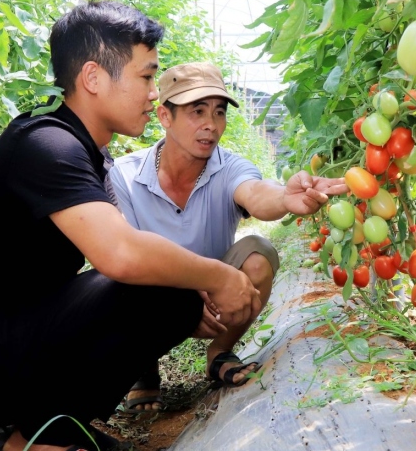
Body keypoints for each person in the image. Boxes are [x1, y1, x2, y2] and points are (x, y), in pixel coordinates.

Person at [0, 1, 267, 451]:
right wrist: (219, 277)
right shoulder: (48, 145)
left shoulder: (84, 151)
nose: (152, 94)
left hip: (13, 334)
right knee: (165, 290)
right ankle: (38, 437)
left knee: (171, 289)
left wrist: (192, 291)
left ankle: (53, 423)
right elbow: (121, 254)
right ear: (93, 78)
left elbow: (130, 248)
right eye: (146, 77)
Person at [109, 62, 348, 413]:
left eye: (219, 112)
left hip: (216, 299)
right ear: (164, 116)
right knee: (118, 275)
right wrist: (188, 295)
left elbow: (255, 192)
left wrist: (284, 197)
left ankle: (219, 351)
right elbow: (125, 255)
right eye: (197, 111)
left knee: (258, 253)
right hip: (153, 296)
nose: (211, 125)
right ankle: (144, 367)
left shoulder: (229, 167)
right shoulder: (125, 175)